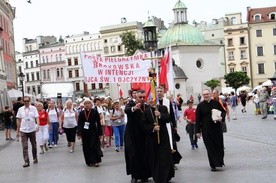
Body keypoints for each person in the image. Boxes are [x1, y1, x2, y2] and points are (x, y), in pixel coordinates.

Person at [142, 97, 175, 183]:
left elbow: (168, 118)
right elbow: (143, 126)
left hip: (163, 137)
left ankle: (166, 176)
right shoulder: (146, 112)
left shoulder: (163, 108)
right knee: (155, 158)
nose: (150, 101)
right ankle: (158, 177)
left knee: (165, 157)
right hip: (152, 139)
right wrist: (153, 128)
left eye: (152, 98)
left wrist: (160, 115)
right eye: (149, 99)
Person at [195, 89, 226, 172]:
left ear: (210, 95)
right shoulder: (200, 106)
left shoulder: (216, 103)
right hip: (206, 130)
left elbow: (223, 111)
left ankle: (219, 162)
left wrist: (221, 118)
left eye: (207, 94)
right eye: (204, 94)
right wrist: (197, 131)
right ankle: (213, 165)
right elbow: (198, 120)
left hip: (216, 129)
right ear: (202, 95)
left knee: (219, 145)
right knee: (210, 147)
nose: (206, 95)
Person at [124, 90, 151, 183]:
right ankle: (134, 176)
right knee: (133, 155)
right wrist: (134, 108)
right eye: (140, 97)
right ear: (136, 97)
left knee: (144, 155)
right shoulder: (131, 104)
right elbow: (126, 110)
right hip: (132, 135)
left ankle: (144, 175)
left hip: (144, 135)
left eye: (144, 97)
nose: (142, 99)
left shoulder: (147, 106)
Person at [77, 99, 103, 167]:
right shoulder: (82, 113)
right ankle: (89, 161)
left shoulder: (95, 112)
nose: (87, 105)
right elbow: (79, 123)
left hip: (93, 131)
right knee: (86, 147)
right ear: (84, 105)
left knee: (94, 146)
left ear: (91, 104)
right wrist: (79, 133)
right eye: (86, 103)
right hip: (85, 133)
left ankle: (96, 161)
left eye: (89, 103)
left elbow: (98, 123)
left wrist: (100, 133)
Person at [16, 96, 40, 168]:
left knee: (34, 145)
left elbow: (37, 117)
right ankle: (26, 161)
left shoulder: (33, 108)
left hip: (32, 129)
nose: (26, 102)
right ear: (23, 102)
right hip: (23, 129)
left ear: (29, 101)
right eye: (25, 101)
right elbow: (18, 120)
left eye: (27, 101)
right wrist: (17, 131)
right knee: (25, 146)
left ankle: (35, 157)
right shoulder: (20, 109)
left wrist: (38, 125)